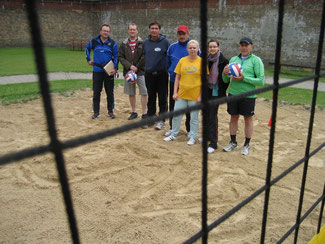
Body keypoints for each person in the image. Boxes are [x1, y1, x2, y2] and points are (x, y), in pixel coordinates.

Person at [222, 37, 264, 155]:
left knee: (248, 119)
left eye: (246, 45)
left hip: (248, 96)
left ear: (251, 47)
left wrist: (244, 78)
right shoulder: (234, 59)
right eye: (242, 45)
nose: (244, 47)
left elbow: (261, 81)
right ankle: (233, 142)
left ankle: (246, 145)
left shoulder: (256, 60)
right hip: (233, 93)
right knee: (233, 117)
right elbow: (225, 80)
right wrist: (224, 73)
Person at [164, 40, 207, 145]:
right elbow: (177, 78)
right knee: (176, 116)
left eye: (194, 48)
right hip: (182, 94)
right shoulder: (182, 60)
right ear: (187, 49)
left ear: (198, 49)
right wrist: (175, 92)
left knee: (193, 118)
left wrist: (201, 96)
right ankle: (173, 134)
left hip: (195, 96)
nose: (192, 50)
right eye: (190, 48)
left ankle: (192, 136)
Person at [165, 25, 194, 137]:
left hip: (189, 83)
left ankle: (189, 130)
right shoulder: (172, 47)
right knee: (173, 105)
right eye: (180, 34)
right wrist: (172, 71)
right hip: (174, 81)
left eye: (184, 34)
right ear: (177, 35)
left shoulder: (193, 47)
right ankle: (173, 128)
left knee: (188, 107)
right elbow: (167, 62)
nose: (182, 36)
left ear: (188, 34)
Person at [85, 24, 119, 119]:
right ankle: (96, 112)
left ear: (109, 32)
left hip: (109, 71)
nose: (105, 33)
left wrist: (115, 68)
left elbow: (116, 56)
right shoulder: (94, 41)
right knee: (96, 92)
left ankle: (110, 111)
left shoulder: (113, 43)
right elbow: (87, 49)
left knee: (110, 92)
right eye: (104, 31)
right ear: (100, 31)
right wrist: (88, 59)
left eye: (107, 31)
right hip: (97, 70)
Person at [143, 21, 170, 129]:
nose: (154, 30)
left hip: (162, 74)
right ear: (149, 30)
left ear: (159, 30)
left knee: (163, 97)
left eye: (156, 28)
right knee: (151, 97)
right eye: (152, 28)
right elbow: (144, 56)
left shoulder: (165, 42)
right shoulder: (145, 42)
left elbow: (169, 56)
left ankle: (162, 121)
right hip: (149, 74)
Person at [118, 23, 148, 122]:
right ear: (128, 31)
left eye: (134, 29)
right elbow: (120, 57)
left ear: (137, 31)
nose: (132, 31)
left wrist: (137, 67)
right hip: (128, 72)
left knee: (144, 92)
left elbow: (144, 56)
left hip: (140, 72)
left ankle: (144, 113)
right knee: (131, 93)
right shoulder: (124, 43)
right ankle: (134, 112)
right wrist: (129, 66)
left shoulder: (142, 43)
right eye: (130, 29)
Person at [206, 39, 229, 153]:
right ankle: (208, 136)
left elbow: (226, 80)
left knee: (212, 116)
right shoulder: (207, 60)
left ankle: (213, 143)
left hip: (217, 92)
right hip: (207, 91)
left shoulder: (224, 61)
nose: (212, 49)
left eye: (214, 46)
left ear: (218, 47)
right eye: (210, 47)